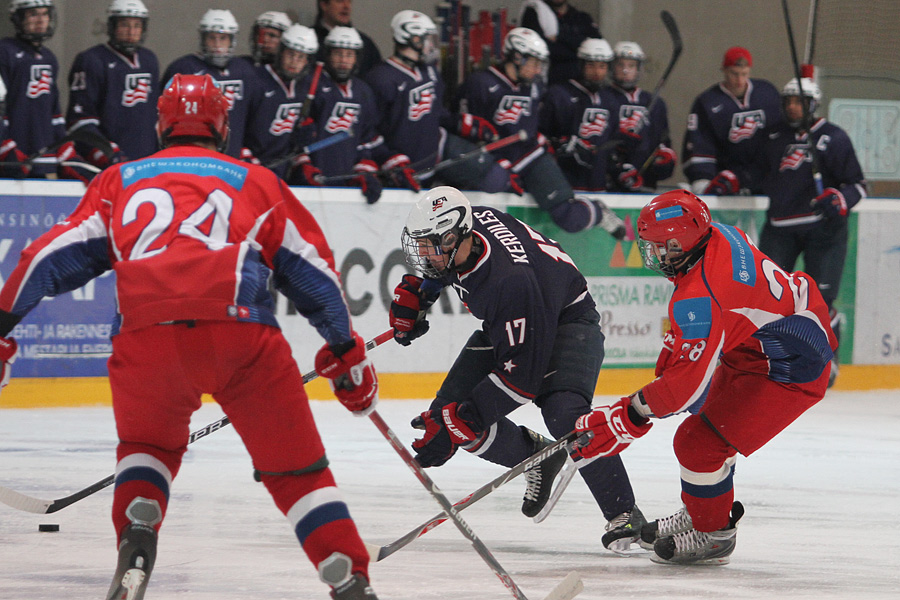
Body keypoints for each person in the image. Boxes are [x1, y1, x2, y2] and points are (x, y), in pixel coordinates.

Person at [0, 74, 380, 600]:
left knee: (147, 446)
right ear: (222, 126)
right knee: (298, 475)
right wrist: (344, 351)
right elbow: (314, 273)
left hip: (147, 337)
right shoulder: (255, 180)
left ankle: (139, 530)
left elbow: (44, 259)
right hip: (242, 337)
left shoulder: (119, 180)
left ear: (161, 124)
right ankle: (346, 572)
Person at [572, 189, 837, 565]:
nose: (655, 256)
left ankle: (714, 532)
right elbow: (713, 337)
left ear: (682, 243)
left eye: (660, 247)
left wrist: (627, 416)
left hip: (791, 366)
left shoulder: (702, 296)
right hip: (774, 338)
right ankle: (703, 512)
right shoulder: (719, 233)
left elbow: (684, 389)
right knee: (706, 427)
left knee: (698, 443)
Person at [390, 185, 646, 553]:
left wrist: (463, 420)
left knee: (564, 413)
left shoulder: (507, 282)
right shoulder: (468, 226)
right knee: (444, 416)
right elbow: (451, 268)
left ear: (453, 235)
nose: (424, 254)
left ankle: (625, 513)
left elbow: (520, 382)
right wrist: (423, 292)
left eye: (430, 245)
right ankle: (535, 460)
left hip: (567, 323)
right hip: (518, 316)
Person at [455, 27, 624, 238]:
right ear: (517, 57)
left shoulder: (534, 87)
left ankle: (598, 212)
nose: (537, 70)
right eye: (534, 63)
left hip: (530, 159)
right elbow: (462, 130)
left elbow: (534, 129)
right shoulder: (480, 83)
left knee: (569, 217)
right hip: (492, 164)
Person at [757, 77, 867, 388]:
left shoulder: (833, 137)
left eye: (799, 101)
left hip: (824, 229)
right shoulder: (774, 137)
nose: (792, 106)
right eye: (788, 100)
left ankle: (827, 357)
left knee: (820, 299)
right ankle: (773, 359)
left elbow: (858, 185)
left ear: (813, 104)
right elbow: (755, 171)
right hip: (780, 228)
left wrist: (839, 198)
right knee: (768, 298)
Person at [364, 9, 511, 194]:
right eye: (427, 39)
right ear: (413, 39)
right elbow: (369, 130)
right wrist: (389, 159)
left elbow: (437, 113)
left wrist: (461, 123)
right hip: (402, 169)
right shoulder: (380, 78)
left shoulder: (430, 72)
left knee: (496, 178)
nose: (431, 45)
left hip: (436, 153)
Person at [288, 26, 383, 204]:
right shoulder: (309, 85)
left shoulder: (364, 92)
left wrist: (364, 173)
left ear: (357, 58)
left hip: (347, 188)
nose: (343, 60)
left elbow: (366, 139)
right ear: (327, 55)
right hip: (310, 185)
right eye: (338, 54)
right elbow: (294, 138)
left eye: (349, 54)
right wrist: (302, 167)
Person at [0, 0, 89, 182]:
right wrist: (6, 149)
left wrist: (65, 151)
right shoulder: (4, 52)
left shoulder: (49, 58)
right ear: (18, 19)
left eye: (44, 14)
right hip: (10, 164)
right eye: (33, 14)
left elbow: (54, 113)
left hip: (41, 160)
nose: (41, 20)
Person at [66, 0, 160, 169]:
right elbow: (80, 121)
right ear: (112, 26)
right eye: (124, 24)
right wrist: (107, 153)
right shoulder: (90, 60)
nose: (131, 32)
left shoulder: (149, 60)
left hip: (147, 162)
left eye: (137, 25)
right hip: (106, 165)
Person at [682, 47, 782, 195]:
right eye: (734, 74)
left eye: (744, 74)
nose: (740, 80)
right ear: (724, 70)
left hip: (764, 180)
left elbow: (781, 136)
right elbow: (700, 145)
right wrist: (703, 181)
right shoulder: (707, 102)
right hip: (726, 184)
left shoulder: (768, 94)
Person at [162, 9, 259, 160]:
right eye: (211, 38)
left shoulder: (244, 71)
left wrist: (247, 148)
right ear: (203, 39)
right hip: (193, 155)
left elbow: (254, 116)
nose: (217, 44)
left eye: (223, 38)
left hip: (232, 157)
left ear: (232, 40)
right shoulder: (184, 68)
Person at [539, 37, 620, 192]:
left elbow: (613, 141)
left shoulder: (610, 99)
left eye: (602, 66)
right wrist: (560, 144)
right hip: (564, 181)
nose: (597, 72)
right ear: (581, 65)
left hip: (599, 183)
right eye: (591, 65)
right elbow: (540, 134)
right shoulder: (558, 94)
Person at [244, 23, 318, 180]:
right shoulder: (255, 80)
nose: (294, 62)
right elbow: (236, 128)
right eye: (291, 54)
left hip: (280, 173)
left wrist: (303, 163)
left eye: (301, 57)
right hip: (249, 169)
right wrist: (248, 161)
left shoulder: (304, 88)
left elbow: (294, 145)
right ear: (281, 52)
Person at [607, 41, 677, 192]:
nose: (626, 71)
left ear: (639, 69)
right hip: (611, 184)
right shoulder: (603, 98)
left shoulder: (655, 103)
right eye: (621, 65)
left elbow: (663, 142)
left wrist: (664, 160)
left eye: (631, 66)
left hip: (645, 183)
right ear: (612, 67)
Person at [518, 0, 602, 86]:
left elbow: (597, 46)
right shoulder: (535, 13)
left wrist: (560, 38)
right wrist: (579, 48)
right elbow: (543, 49)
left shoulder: (582, 18)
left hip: (580, 84)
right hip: (549, 82)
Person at [313, 0, 381, 79]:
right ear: (324, 5)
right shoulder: (309, 41)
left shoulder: (365, 43)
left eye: (349, 1)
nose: (346, 6)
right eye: (340, 1)